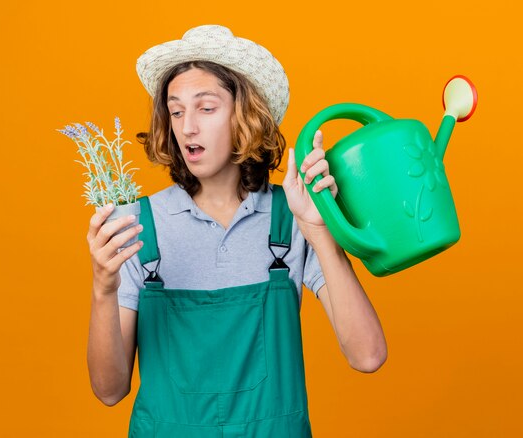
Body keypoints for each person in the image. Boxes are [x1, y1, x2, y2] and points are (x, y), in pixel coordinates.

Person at [86, 25, 386, 437]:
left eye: (206, 108)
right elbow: (109, 390)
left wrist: (320, 232)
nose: (187, 126)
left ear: (245, 117)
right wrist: (103, 287)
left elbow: (368, 356)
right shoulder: (137, 227)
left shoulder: (292, 219)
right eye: (176, 111)